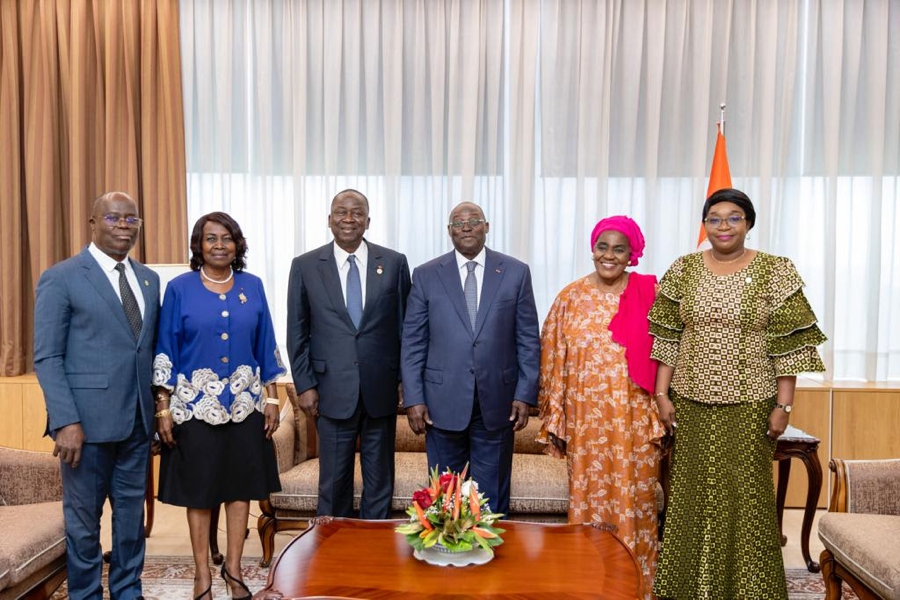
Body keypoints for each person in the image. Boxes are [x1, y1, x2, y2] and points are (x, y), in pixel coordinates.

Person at [649, 189, 827, 599]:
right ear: (704, 224)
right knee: (692, 498)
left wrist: (783, 405)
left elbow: (790, 345)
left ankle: (750, 590)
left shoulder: (775, 271)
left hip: (750, 405)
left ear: (748, 222)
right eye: (714, 218)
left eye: (733, 218)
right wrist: (662, 395)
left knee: (748, 500)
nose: (724, 226)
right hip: (691, 402)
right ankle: (688, 589)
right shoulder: (684, 269)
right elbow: (667, 339)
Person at [34, 191, 160, 600]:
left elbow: (146, 351)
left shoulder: (148, 279)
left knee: (130, 522)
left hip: (137, 426)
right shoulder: (63, 276)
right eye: (113, 218)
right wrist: (65, 421)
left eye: (131, 219)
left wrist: (157, 413)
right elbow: (48, 356)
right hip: (84, 428)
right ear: (92, 223)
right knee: (84, 523)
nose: (124, 225)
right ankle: (85, 594)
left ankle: (128, 591)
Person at [152, 212, 285, 600]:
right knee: (200, 490)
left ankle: (234, 571)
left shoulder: (253, 286)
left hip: (245, 405)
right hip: (195, 408)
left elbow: (266, 344)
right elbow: (166, 349)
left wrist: (272, 396)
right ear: (199, 245)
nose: (220, 245)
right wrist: (163, 407)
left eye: (227, 238)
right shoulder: (179, 289)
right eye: (211, 239)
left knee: (240, 488)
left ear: (237, 244)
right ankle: (201, 577)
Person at [537, 215, 665, 590]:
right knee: (589, 501)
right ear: (593, 249)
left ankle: (636, 587)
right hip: (586, 421)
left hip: (636, 416)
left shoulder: (650, 293)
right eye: (602, 247)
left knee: (638, 500)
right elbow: (551, 356)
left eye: (619, 249)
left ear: (632, 254)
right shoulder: (570, 297)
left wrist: (664, 405)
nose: (609, 255)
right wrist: (555, 415)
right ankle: (587, 584)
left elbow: (670, 352)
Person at [400, 201, 541, 515]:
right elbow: (412, 341)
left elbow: (528, 338)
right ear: (449, 231)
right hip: (440, 403)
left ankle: (490, 558)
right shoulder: (425, 275)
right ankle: (447, 556)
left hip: (498, 402)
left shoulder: (515, 273)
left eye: (473, 220)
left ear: (486, 227)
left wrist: (525, 392)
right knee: (445, 494)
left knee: (491, 496)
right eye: (457, 222)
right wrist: (413, 397)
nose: (466, 226)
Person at [286, 189, 411, 518]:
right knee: (334, 480)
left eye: (357, 213)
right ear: (329, 220)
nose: (349, 218)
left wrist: (404, 380)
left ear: (368, 221)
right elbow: (297, 331)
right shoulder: (306, 265)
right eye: (341, 212)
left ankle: (374, 551)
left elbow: (405, 328)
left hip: (380, 388)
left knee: (380, 479)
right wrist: (305, 385)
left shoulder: (394, 263)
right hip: (330, 390)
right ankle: (330, 550)